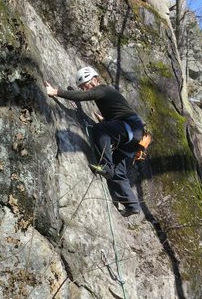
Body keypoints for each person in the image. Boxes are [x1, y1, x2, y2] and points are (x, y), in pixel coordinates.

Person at [45, 66, 144, 217]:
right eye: (83, 87)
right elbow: (119, 109)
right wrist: (108, 119)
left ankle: (106, 167)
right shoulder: (107, 93)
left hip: (131, 128)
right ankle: (132, 205)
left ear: (96, 79)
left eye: (88, 84)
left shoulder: (103, 89)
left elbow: (84, 97)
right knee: (118, 170)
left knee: (100, 129)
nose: (87, 88)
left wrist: (57, 92)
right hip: (132, 134)